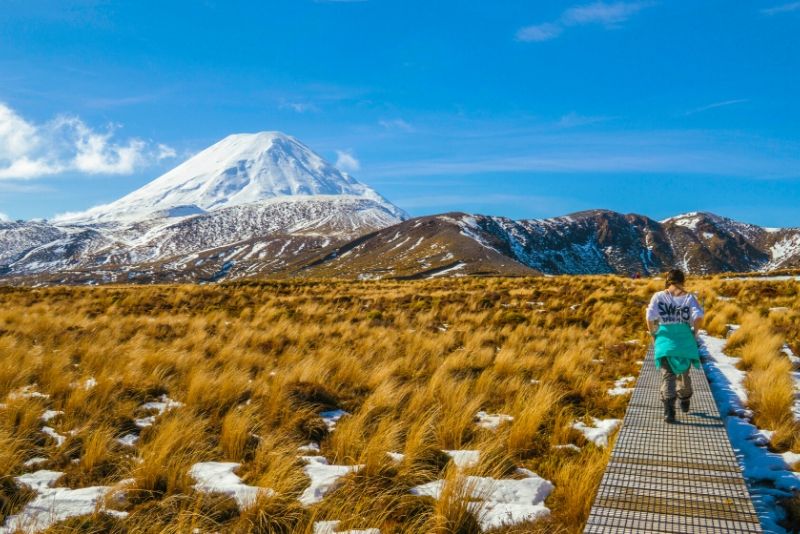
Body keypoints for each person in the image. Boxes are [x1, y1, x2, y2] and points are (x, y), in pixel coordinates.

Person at [644, 269, 704, 423]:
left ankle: (669, 411)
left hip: (665, 341)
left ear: (668, 281)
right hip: (685, 342)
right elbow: (698, 317)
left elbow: (649, 316)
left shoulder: (658, 296)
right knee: (684, 374)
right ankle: (684, 399)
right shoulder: (689, 297)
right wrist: (695, 333)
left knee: (668, 375)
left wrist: (653, 333)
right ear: (682, 281)